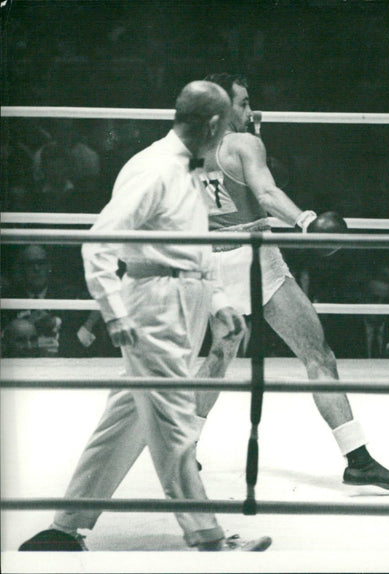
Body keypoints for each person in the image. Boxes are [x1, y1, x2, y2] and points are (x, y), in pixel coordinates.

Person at [19, 81, 271, 552]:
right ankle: (207, 535)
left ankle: (65, 525)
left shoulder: (188, 169)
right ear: (213, 124)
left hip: (182, 297)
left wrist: (217, 301)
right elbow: (99, 241)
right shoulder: (153, 169)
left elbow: (190, 246)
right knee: (175, 420)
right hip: (154, 303)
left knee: (127, 419)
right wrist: (114, 312)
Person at [193, 73, 389, 490]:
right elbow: (269, 194)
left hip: (212, 260)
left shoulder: (186, 148)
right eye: (242, 103)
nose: (249, 110)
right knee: (317, 354)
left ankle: (183, 446)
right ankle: (358, 459)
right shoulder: (243, 144)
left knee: (220, 357)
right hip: (256, 258)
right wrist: (306, 221)